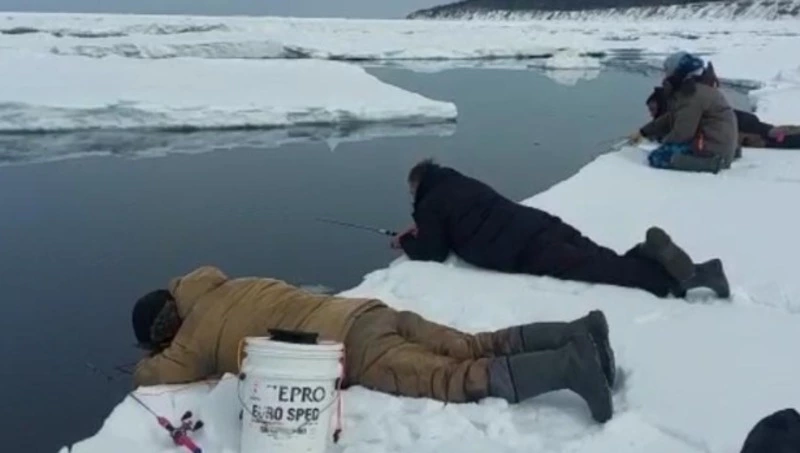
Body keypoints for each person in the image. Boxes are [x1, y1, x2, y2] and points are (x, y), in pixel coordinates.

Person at [132, 266, 617, 423]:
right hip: (368, 312)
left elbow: (153, 375)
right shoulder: (235, 283)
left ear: (164, 329)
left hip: (350, 346)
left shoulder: (191, 340)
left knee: (450, 379)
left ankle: (570, 367)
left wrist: (151, 356)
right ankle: (576, 330)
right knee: (472, 344)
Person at [393, 159, 730, 300]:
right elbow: (455, 216)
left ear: (417, 186)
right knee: (601, 257)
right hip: (537, 222)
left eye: (411, 193)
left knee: (602, 269)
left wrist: (406, 241)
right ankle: (649, 254)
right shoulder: (457, 181)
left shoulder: (429, 203)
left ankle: (688, 278)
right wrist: (424, 223)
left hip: (524, 250)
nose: (411, 198)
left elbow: (433, 252)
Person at [630, 51, 738, 173]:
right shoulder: (696, 90)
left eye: (668, 72)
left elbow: (682, 133)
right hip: (715, 144)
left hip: (712, 151)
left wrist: (664, 144)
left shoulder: (693, 96)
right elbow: (672, 116)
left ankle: (711, 164)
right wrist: (643, 132)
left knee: (658, 157)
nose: (665, 77)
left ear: (678, 73)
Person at [647, 86, 800, 150]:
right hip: (739, 121)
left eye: (653, 109)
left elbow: (682, 133)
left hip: (741, 126)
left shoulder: (681, 114)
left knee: (772, 137)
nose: (652, 114)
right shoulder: (680, 110)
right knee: (772, 132)